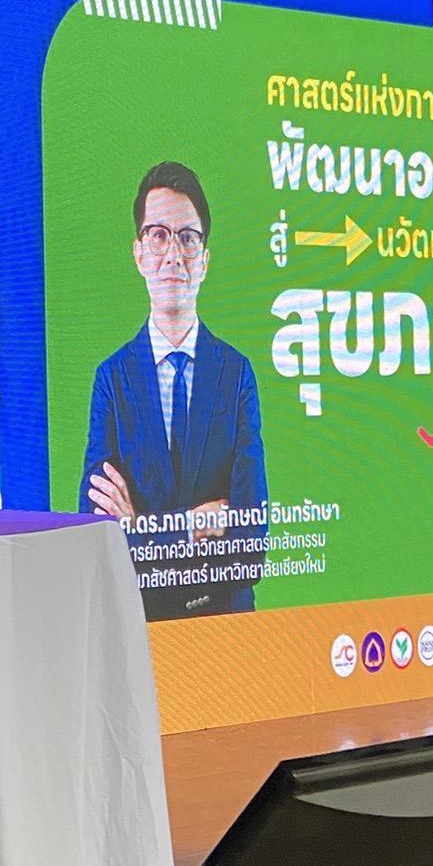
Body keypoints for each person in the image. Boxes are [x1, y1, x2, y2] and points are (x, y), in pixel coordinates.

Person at [78, 161, 267, 619]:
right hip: (142, 625)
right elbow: (97, 537)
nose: (174, 254)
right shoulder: (112, 380)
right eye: (158, 235)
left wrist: (139, 530)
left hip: (227, 627)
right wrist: (190, 528)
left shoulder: (236, 374)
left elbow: (253, 544)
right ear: (139, 254)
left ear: (205, 259)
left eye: (188, 237)